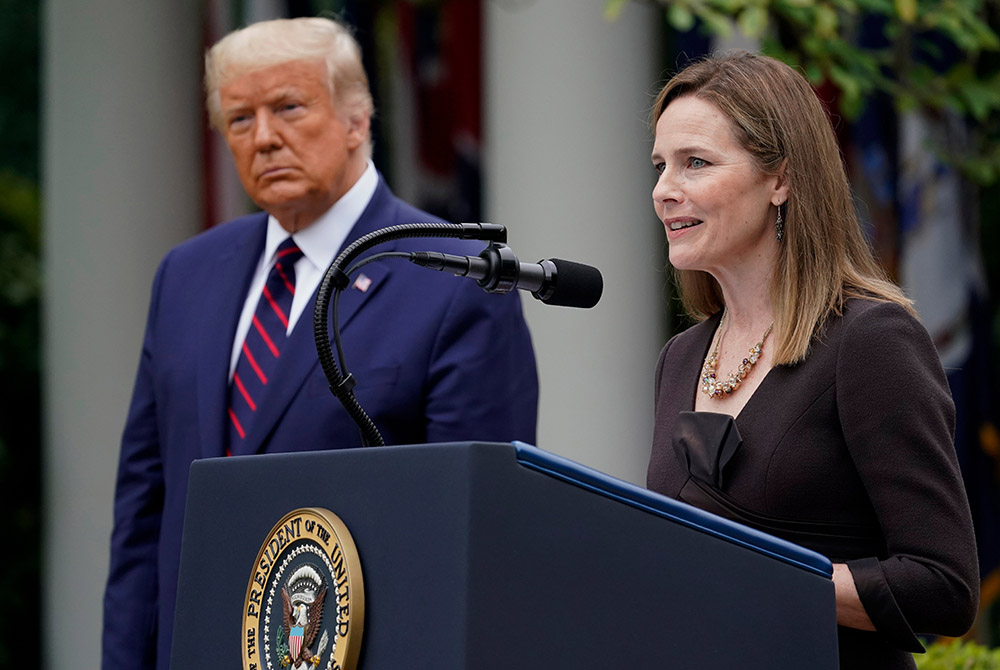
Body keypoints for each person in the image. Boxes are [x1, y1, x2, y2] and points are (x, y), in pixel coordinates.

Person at [101, 17, 538, 670]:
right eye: (240, 119)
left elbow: (476, 538)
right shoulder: (186, 275)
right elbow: (143, 516)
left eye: (288, 108)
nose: (265, 138)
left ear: (358, 120)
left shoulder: (456, 277)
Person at [645, 51, 978, 669]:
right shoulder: (680, 357)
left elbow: (944, 585)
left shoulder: (870, 341)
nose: (664, 190)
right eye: (661, 165)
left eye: (696, 163)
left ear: (781, 180)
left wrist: (754, 573)